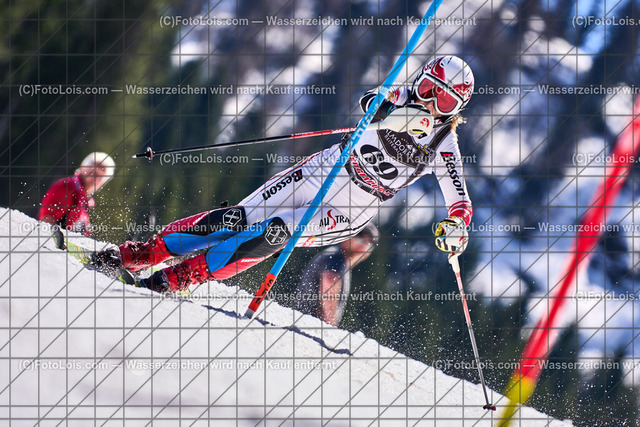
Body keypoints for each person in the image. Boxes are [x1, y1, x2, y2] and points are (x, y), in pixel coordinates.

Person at [89, 55, 474, 294]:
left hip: (349, 207)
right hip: (322, 171)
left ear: (455, 109)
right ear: (420, 79)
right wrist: (399, 116)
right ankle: (141, 254)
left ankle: (180, 277)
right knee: (236, 219)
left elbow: (460, 201)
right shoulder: (402, 95)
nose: (430, 100)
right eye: (428, 87)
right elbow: (370, 102)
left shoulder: (444, 144)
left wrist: (457, 228)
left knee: (274, 232)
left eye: (443, 99)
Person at [294, 224, 379, 326]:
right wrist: (330, 324)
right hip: (309, 324)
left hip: (305, 321)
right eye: (360, 239)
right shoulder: (337, 257)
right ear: (348, 236)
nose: (363, 246)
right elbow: (329, 282)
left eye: (369, 244)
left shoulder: (339, 260)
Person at [39, 152, 116, 236]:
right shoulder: (67, 187)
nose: (94, 179)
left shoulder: (86, 201)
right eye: (93, 173)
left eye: (100, 177)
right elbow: (47, 221)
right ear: (83, 167)